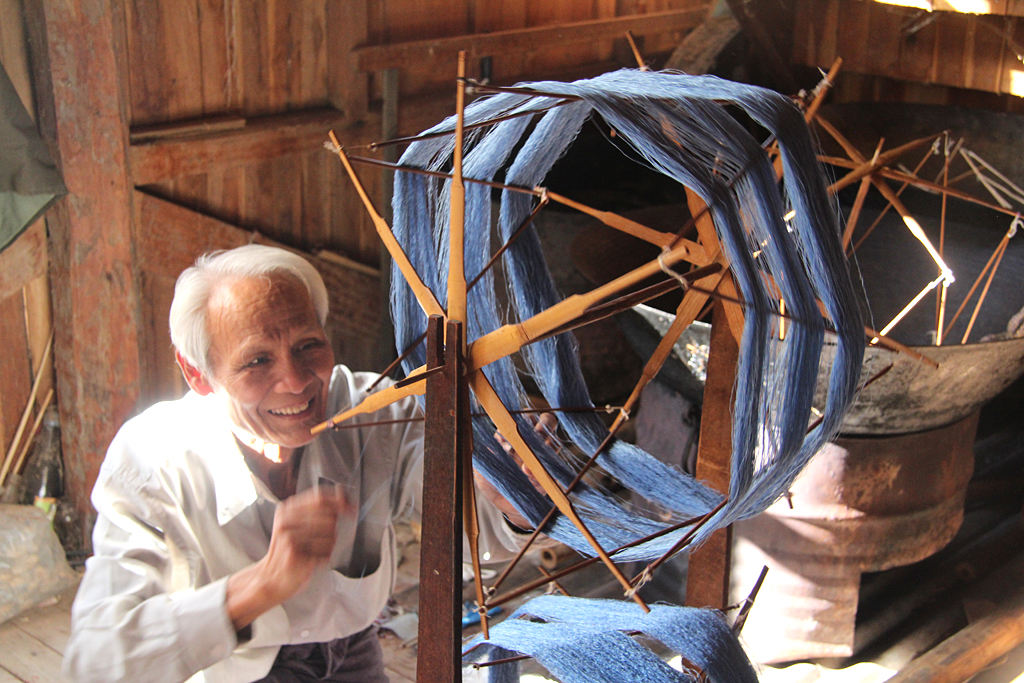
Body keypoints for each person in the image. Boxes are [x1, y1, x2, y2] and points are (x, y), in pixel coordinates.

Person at [63, 245, 542, 683]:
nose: (295, 382)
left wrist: (508, 502)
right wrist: (261, 585)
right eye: (256, 362)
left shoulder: (373, 410)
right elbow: (97, 661)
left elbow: (468, 534)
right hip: (234, 671)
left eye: (308, 345)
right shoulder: (153, 461)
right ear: (198, 373)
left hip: (355, 652)